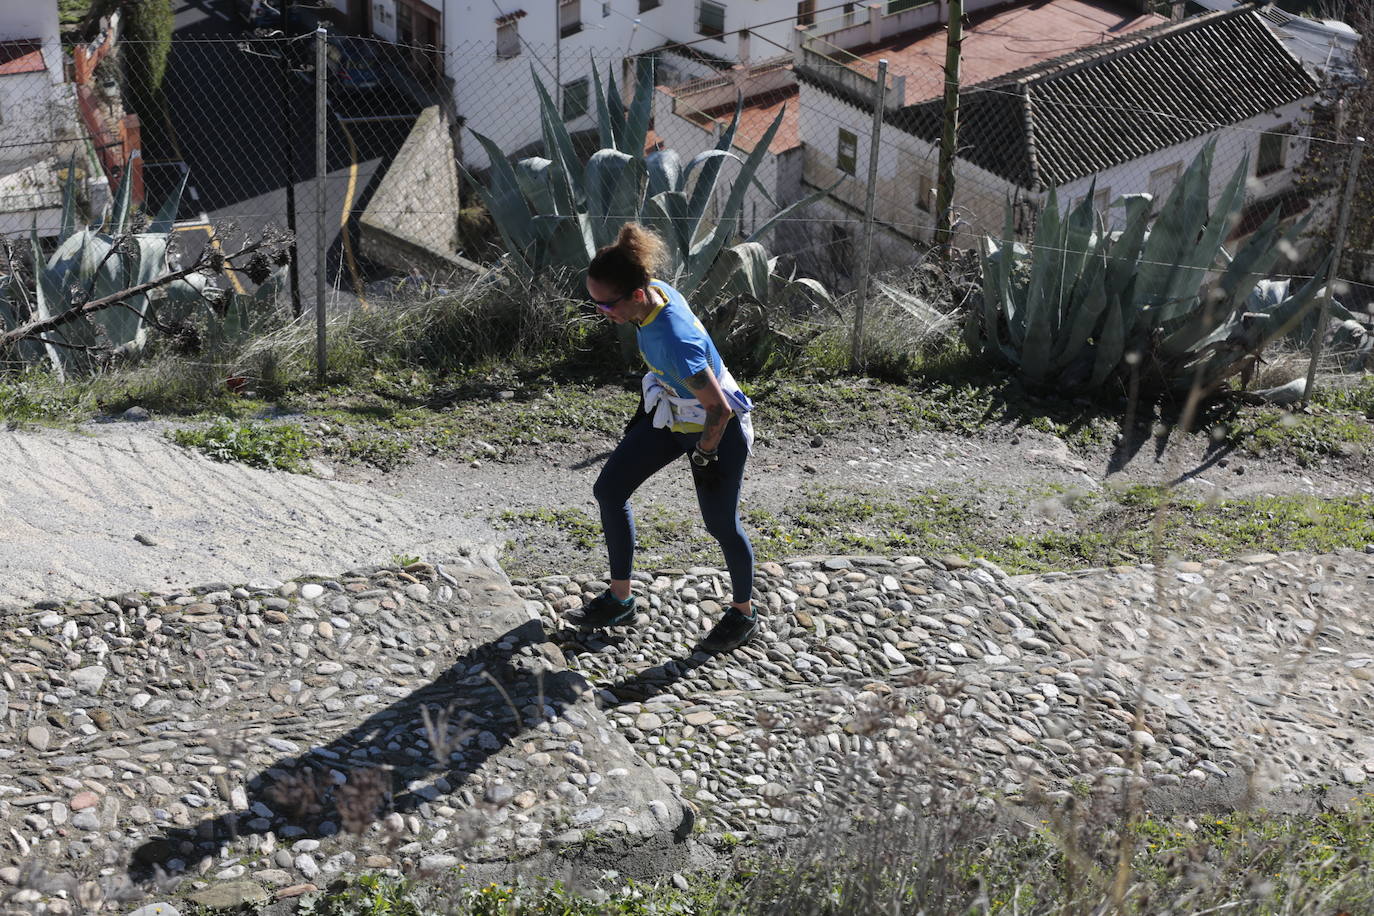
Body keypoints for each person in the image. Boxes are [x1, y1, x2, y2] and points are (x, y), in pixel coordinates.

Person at [578, 223, 758, 653]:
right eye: (595, 304)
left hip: (716, 432)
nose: (603, 314)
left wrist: (704, 455)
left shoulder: (676, 341)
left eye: (606, 306)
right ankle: (621, 599)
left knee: (721, 525)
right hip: (672, 416)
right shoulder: (652, 291)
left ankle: (743, 613)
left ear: (635, 296)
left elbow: (720, 409)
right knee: (610, 490)